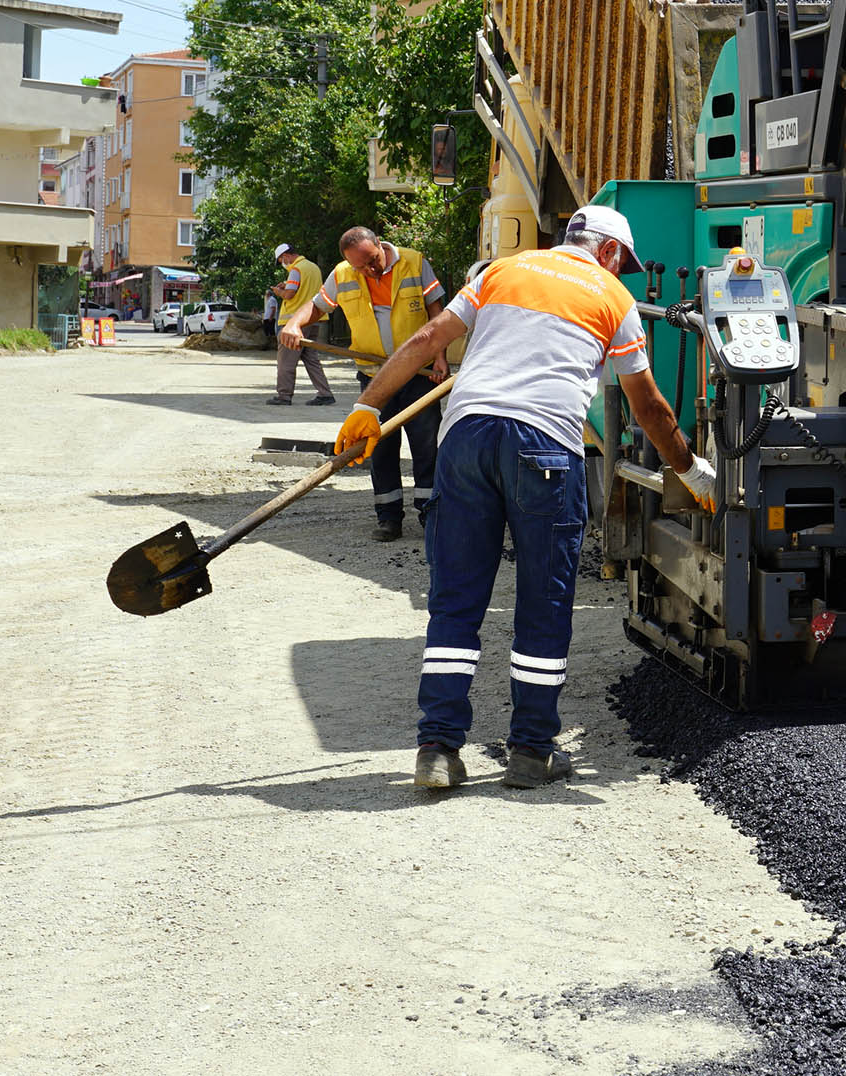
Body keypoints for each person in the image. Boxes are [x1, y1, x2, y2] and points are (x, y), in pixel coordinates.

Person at [333, 205, 716, 790]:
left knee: (456, 599)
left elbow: (429, 337)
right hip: (545, 446)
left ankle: (437, 750)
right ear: (610, 252)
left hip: (465, 440)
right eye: (625, 261)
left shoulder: (500, 272)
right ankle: (532, 752)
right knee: (543, 602)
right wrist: (690, 472)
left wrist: (367, 406)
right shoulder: (614, 298)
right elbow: (649, 408)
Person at [283, 225, 446, 541]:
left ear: (379, 245)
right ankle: (388, 518)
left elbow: (436, 311)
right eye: (362, 266)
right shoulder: (344, 274)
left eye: (373, 260)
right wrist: (294, 322)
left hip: (418, 373)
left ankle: (432, 515)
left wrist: (440, 356)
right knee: (380, 446)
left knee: (426, 446)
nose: (371, 270)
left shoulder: (413, 262)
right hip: (375, 377)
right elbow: (317, 306)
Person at [264, 244, 334, 406]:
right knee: (311, 359)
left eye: (282, 260)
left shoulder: (296, 270)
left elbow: (290, 294)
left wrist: (279, 291)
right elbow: (305, 290)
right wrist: (286, 285)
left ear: (287, 256)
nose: (283, 263)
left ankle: (284, 396)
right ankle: (325, 393)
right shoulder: (313, 267)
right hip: (314, 320)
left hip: (294, 323)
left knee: (286, 360)